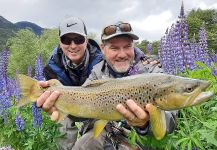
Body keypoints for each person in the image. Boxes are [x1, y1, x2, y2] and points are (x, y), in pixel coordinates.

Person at [37, 21, 176, 150]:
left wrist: (145, 124)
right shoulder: (97, 72)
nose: (122, 54)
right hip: (106, 132)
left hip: (143, 139)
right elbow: (84, 107)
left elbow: (171, 120)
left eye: (127, 46)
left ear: (133, 45)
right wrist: (61, 101)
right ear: (103, 49)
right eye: (114, 48)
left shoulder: (153, 71)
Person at [37, 16, 103, 149]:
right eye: (66, 40)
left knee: (95, 133)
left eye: (78, 39)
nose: (73, 45)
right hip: (67, 108)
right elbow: (51, 103)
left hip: (95, 108)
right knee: (62, 123)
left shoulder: (102, 61)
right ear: (60, 43)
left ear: (86, 41)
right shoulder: (52, 67)